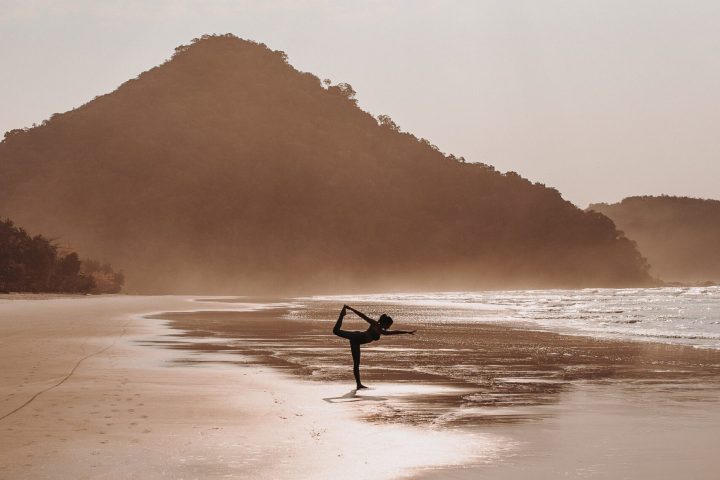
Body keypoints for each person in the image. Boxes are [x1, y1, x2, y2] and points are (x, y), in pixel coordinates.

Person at [332, 304, 416, 389]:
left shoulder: (382, 332)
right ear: (385, 323)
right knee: (336, 331)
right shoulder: (374, 324)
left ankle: (358, 384)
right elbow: (362, 316)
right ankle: (342, 314)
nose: (389, 327)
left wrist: (407, 332)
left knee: (356, 364)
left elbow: (394, 332)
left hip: (356, 343)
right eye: (389, 325)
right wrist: (351, 309)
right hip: (356, 336)